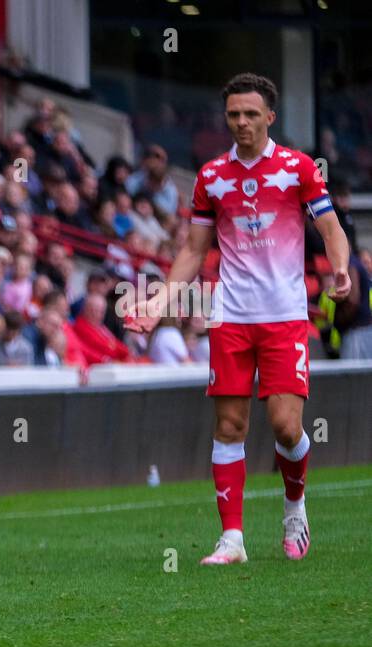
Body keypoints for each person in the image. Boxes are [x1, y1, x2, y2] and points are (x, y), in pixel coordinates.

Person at [126, 73, 350, 565]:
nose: (242, 122)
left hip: (284, 316)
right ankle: (232, 540)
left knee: (286, 426)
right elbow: (193, 250)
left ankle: (295, 508)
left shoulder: (298, 169)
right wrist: (159, 302)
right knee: (229, 425)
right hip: (230, 315)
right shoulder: (210, 177)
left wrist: (339, 269)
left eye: (251, 114)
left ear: (270, 116)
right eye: (233, 114)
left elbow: (331, 227)